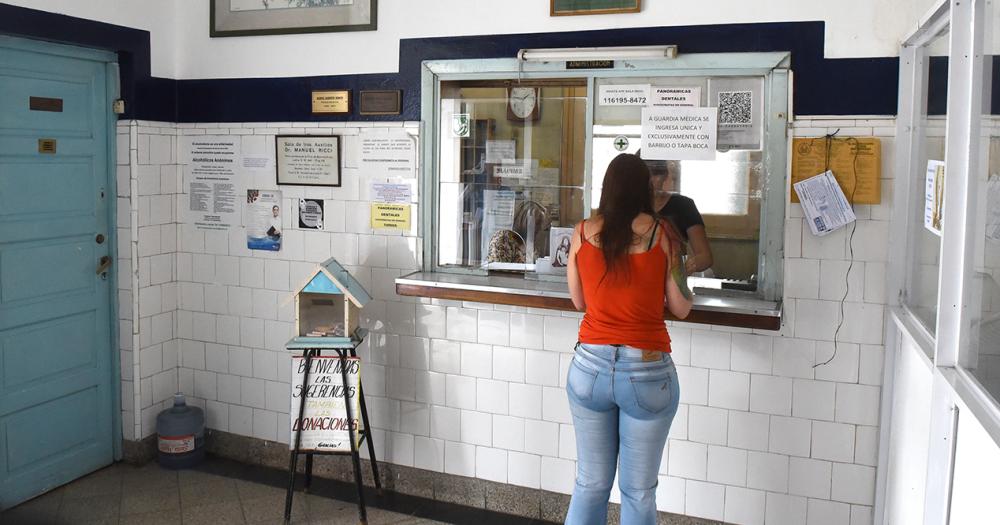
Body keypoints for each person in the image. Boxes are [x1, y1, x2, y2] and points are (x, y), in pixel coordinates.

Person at [565, 153, 693, 525]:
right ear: (646, 188)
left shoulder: (581, 232)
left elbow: (579, 301)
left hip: (588, 368)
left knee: (590, 483)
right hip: (647, 373)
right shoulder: (663, 234)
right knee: (637, 492)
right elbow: (682, 306)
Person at [639, 153, 713, 274]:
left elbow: (705, 257)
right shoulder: (628, 207)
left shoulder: (683, 205)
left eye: (656, 173)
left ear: (665, 175)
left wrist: (680, 270)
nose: (650, 180)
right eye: (644, 174)